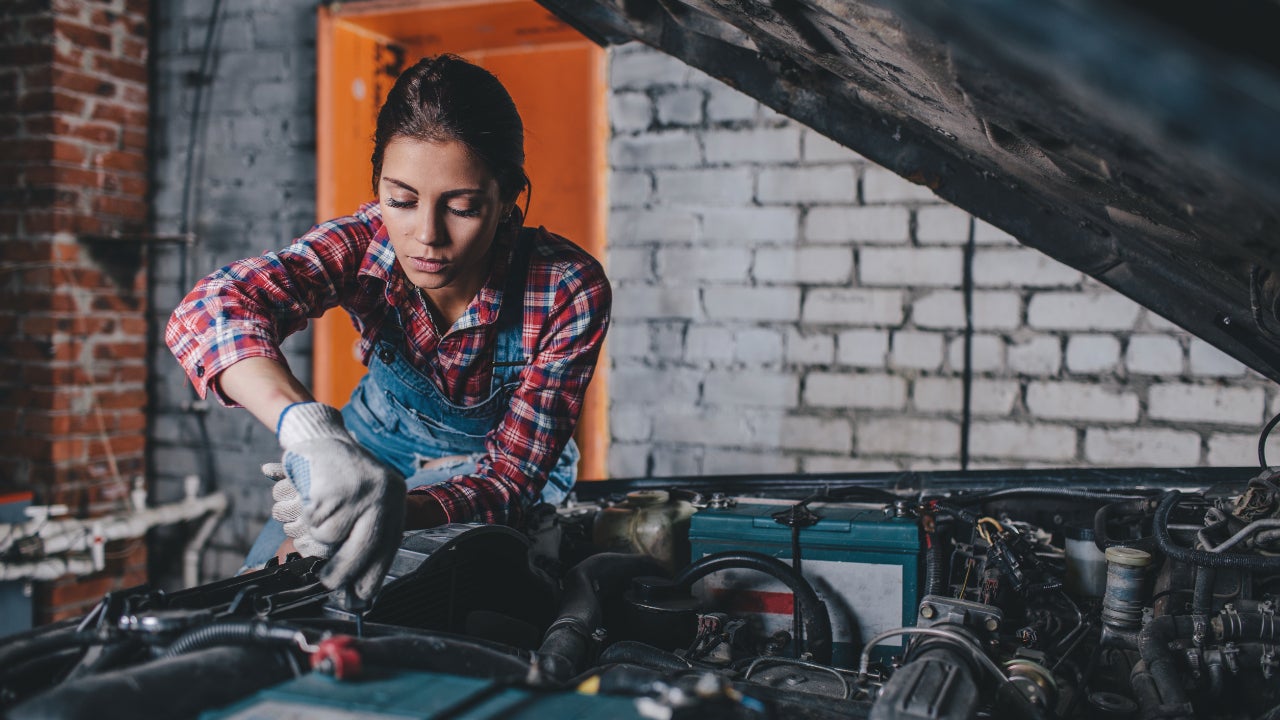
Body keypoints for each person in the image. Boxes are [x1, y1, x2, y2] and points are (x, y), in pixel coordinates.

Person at [165, 54, 611, 602]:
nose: (426, 234)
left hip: (494, 466)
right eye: (401, 200)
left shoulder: (566, 288)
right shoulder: (362, 243)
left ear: (507, 199)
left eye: (464, 207)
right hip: (373, 443)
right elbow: (211, 308)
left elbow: (508, 480)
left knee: (426, 602)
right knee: (267, 589)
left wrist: (398, 508)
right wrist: (314, 435)